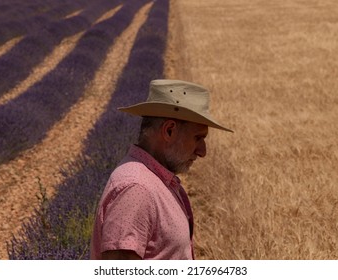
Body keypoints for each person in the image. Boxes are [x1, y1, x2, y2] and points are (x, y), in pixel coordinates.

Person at [90, 79, 233, 260]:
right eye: (198, 138)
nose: (202, 151)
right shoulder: (137, 188)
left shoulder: (156, 182)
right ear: (169, 131)